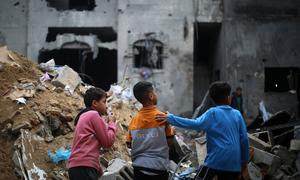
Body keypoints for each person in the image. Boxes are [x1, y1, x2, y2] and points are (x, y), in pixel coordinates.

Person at [156, 81, 249, 180]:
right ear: (228, 98)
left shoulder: (212, 113)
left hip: (215, 161)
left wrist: (170, 118)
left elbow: (194, 123)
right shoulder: (237, 114)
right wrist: (243, 163)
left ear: (213, 99)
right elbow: (244, 140)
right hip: (234, 164)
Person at [126, 81, 174, 180]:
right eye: (155, 92)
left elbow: (129, 145)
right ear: (151, 96)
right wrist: (172, 132)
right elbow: (169, 143)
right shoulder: (162, 117)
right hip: (159, 168)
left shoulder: (134, 120)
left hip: (139, 168)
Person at [68, 87, 117, 180]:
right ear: (95, 103)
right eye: (104, 102)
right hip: (85, 167)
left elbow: (87, 145)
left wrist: (98, 170)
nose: (106, 106)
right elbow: (107, 142)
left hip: (75, 167)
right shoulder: (94, 115)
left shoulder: (83, 116)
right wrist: (112, 124)